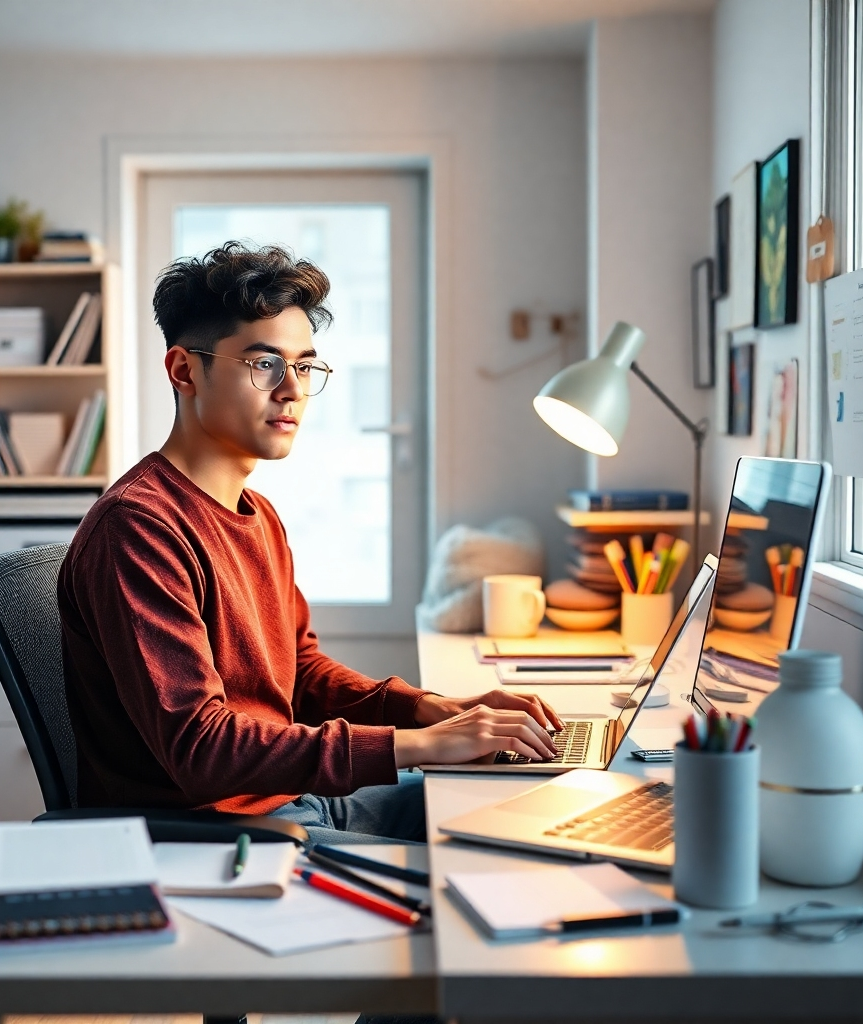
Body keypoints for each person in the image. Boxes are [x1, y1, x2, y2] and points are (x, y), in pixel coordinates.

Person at [58, 241, 563, 846]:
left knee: (532, 804)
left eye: (304, 366)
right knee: (487, 865)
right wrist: (421, 746)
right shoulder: (139, 529)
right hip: (223, 836)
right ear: (184, 370)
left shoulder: (257, 515)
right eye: (264, 364)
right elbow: (201, 748)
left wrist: (429, 709)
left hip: (299, 803)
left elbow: (298, 674)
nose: (292, 389)